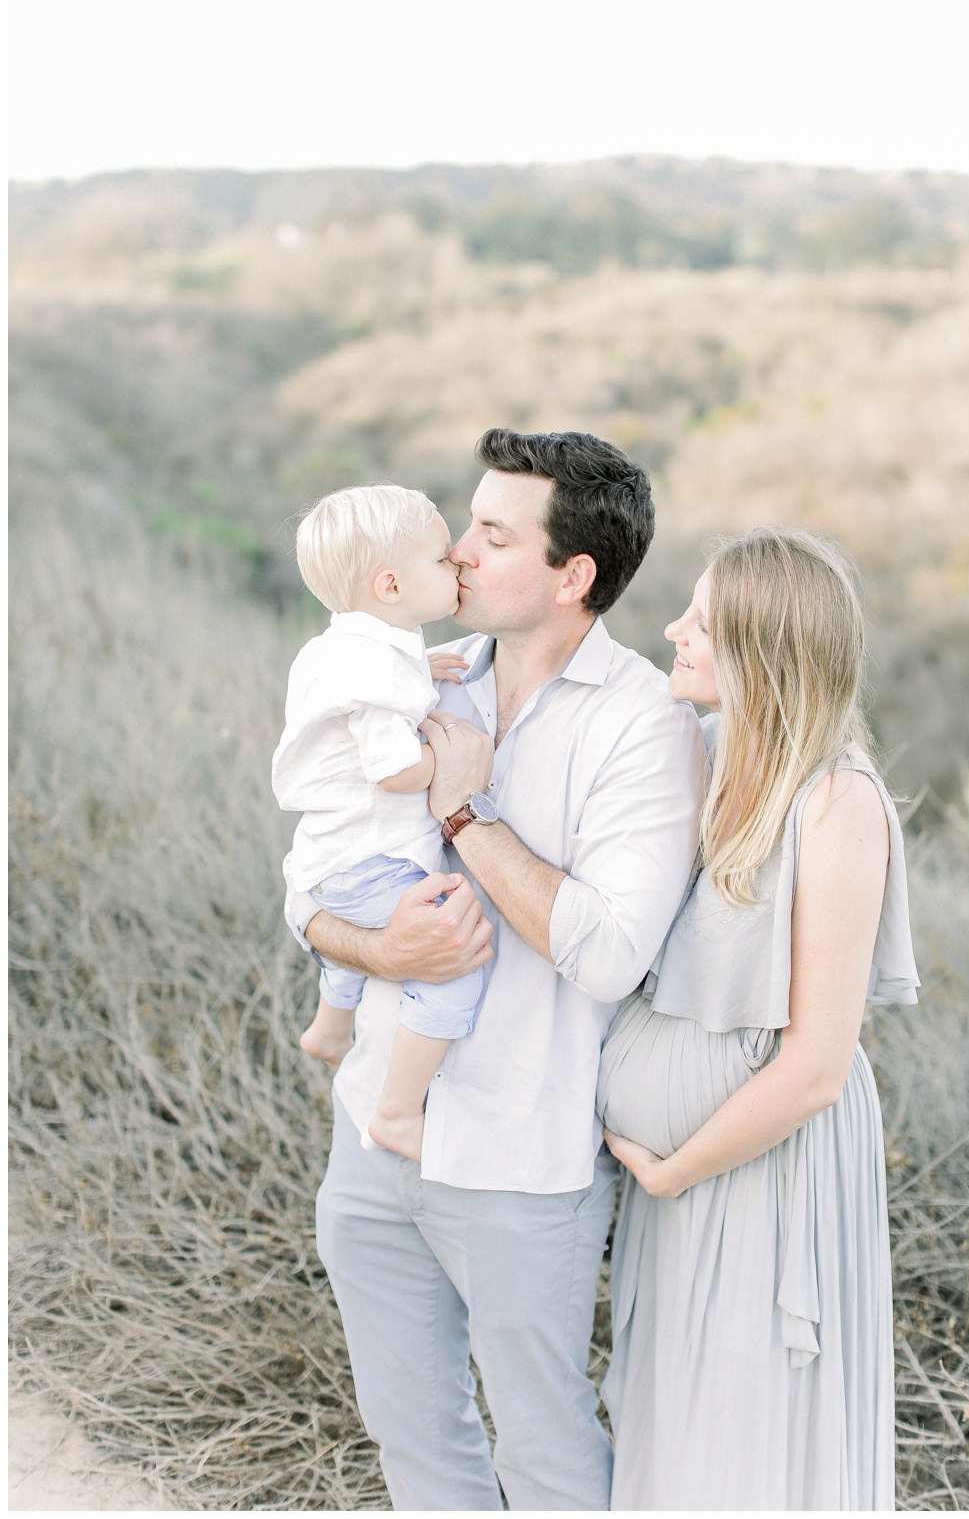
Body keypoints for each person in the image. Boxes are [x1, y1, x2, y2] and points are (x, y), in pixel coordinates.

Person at [284, 429, 705, 1511]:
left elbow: (610, 952)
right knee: (417, 1447)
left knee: (546, 1451)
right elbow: (312, 887)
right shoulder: (407, 674)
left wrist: (467, 812)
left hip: (522, 1160)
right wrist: (380, 948)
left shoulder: (647, 725)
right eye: (466, 524)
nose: (459, 550)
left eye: (493, 533)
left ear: (576, 576)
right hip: (374, 1137)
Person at [599, 527, 920, 1511]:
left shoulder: (835, 803)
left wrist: (671, 1165)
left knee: (749, 1443)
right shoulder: (698, 751)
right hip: (680, 1187)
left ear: (760, 648)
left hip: (763, 1173)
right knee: (673, 1431)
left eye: (702, 620)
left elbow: (816, 1065)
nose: (674, 631)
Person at [272, 483, 486, 1161]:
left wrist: (417, 673)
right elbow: (393, 769)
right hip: (370, 861)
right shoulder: (374, 674)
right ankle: (397, 1112)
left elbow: (368, 695)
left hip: (330, 859)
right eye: (440, 559)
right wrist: (451, 766)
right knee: (453, 962)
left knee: (361, 942)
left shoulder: (351, 650)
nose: (457, 562)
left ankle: (330, 1029)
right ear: (390, 584)